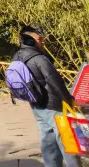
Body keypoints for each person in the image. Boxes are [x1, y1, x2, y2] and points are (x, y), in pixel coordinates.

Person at [13, 26, 79, 167]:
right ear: (29, 40)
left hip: (37, 104)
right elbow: (54, 81)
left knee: (48, 140)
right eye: (39, 39)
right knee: (68, 142)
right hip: (54, 104)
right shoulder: (38, 58)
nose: (42, 42)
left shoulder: (18, 56)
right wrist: (69, 100)